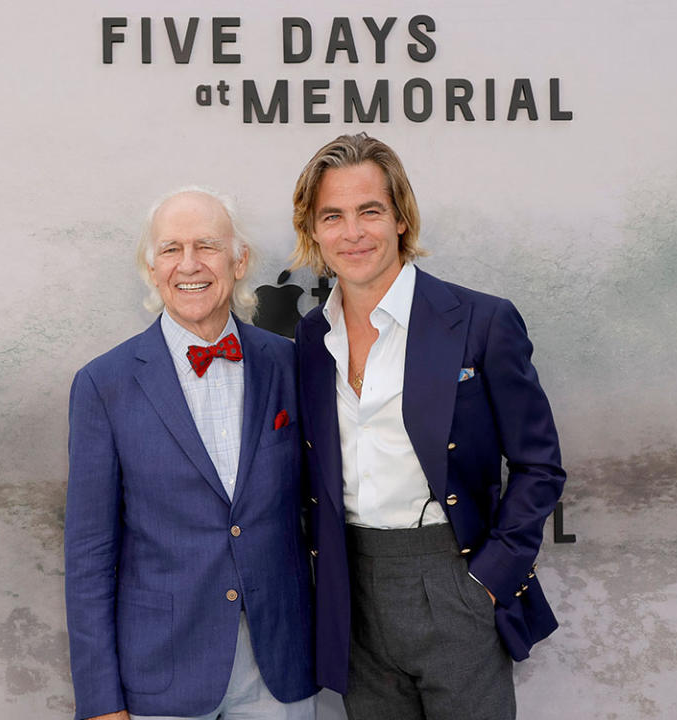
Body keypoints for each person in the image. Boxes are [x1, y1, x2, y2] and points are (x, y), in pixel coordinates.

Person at [291, 134, 566, 720]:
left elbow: (540, 465)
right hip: (352, 591)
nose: (353, 232)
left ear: (400, 218)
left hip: (454, 580)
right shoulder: (312, 341)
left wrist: (488, 580)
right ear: (313, 231)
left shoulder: (481, 321)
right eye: (332, 216)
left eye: (370, 211)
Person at [65, 188, 317, 720]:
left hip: (280, 668)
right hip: (161, 674)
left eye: (206, 245)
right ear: (151, 267)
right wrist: (100, 703)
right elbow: (88, 557)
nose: (189, 265)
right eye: (171, 249)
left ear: (239, 259)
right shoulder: (102, 385)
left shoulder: (289, 364)